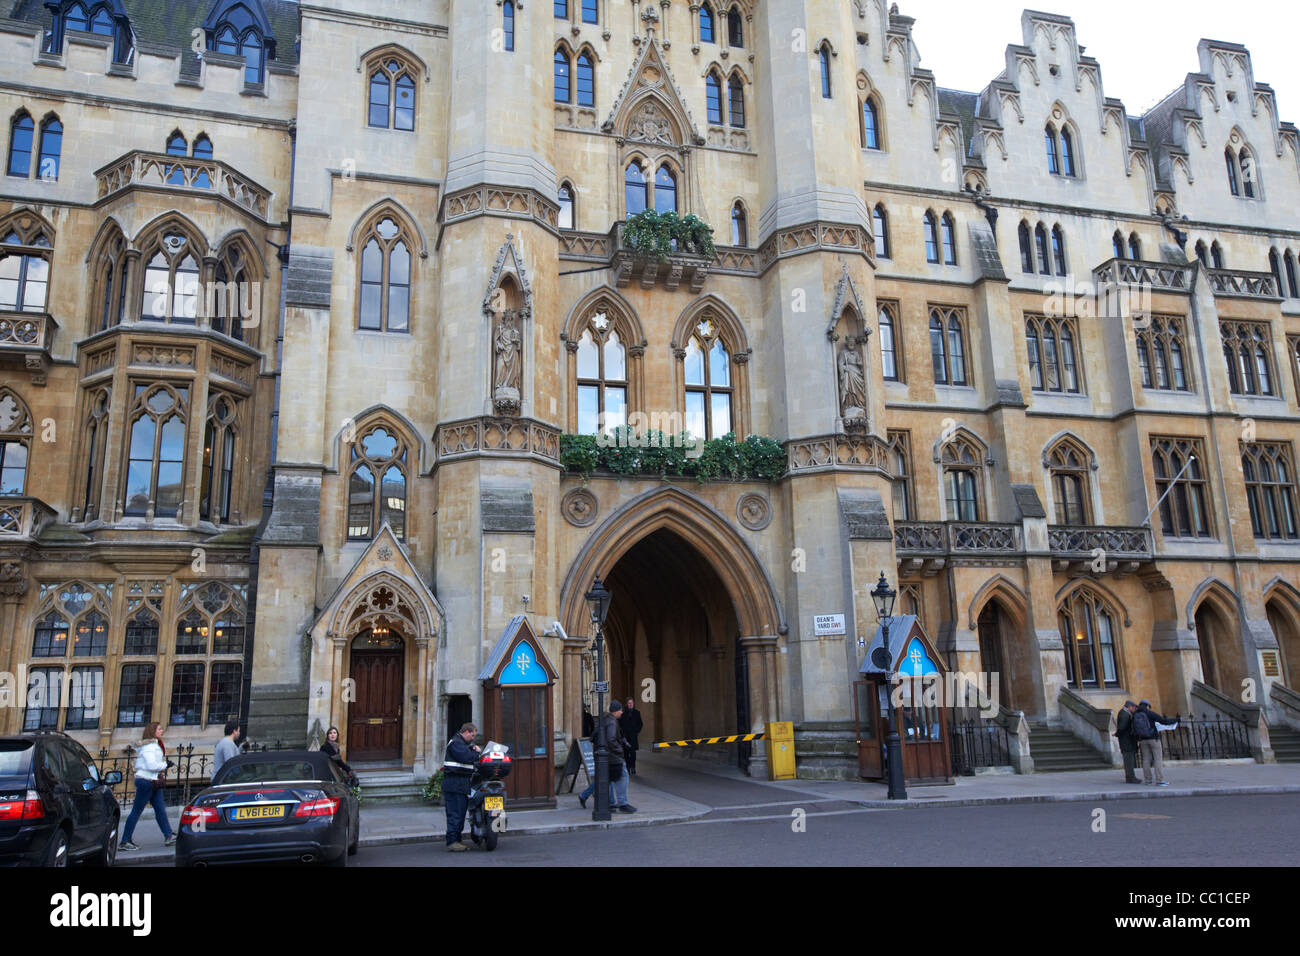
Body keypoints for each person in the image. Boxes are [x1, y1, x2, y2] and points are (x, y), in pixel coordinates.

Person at [119, 722, 176, 850]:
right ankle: (125, 841)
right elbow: (151, 765)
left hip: (153, 781)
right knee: (137, 811)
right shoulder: (149, 746)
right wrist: (165, 765)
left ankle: (168, 835)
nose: (162, 731)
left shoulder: (153, 745)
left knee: (160, 809)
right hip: (146, 781)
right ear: (152, 731)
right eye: (159, 729)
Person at [578, 701, 635, 813]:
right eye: (620, 710)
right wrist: (620, 751)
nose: (622, 712)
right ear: (616, 710)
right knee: (622, 776)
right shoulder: (612, 722)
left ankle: (590, 797)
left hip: (604, 754)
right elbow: (611, 739)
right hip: (611, 756)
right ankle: (622, 803)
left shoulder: (606, 720)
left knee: (606, 778)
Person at [442, 722, 481, 852]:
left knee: (459, 813)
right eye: (473, 735)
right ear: (467, 732)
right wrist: (477, 754)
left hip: (459, 784)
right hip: (455, 784)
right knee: (455, 814)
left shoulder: (461, 744)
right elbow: (467, 758)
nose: (473, 738)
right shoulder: (456, 743)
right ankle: (453, 842)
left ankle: (457, 840)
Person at [1132, 699, 1177, 786]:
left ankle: (1148, 780)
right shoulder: (1150, 713)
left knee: (1145, 760)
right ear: (1147, 706)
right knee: (1157, 759)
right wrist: (1176, 720)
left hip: (1142, 740)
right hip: (1153, 738)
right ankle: (1159, 780)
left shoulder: (1135, 714)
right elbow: (1164, 721)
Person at [1114, 701, 1140, 784]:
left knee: (1129, 758)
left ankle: (1131, 776)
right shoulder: (1124, 714)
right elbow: (1122, 728)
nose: (1134, 709)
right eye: (1134, 708)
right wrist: (1117, 734)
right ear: (1130, 707)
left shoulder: (1125, 713)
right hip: (1126, 741)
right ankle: (1130, 777)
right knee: (1128, 759)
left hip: (1127, 740)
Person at [619, 697, 644, 776]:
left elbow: (640, 724)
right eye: (629, 703)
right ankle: (627, 766)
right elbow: (619, 724)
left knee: (633, 753)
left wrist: (636, 731)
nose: (630, 704)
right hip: (625, 736)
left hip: (633, 736)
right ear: (627, 704)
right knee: (626, 753)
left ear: (633, 704)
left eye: (632, 703)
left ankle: (633, 766)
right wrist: (622, 734)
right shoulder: (623, 713)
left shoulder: (637, 713)